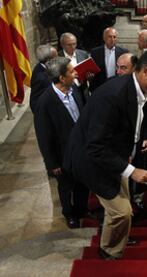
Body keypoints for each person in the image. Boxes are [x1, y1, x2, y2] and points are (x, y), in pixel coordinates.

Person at [64, 49, 147, 259]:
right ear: (145, 72)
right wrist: (131, 170)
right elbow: (95, 146)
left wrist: (128, 154)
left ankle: (115, 240)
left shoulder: (140, 90)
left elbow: (127, 128)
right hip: (91, 161)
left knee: (124, 210)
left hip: (115, 157)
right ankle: (109, 250)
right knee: (122, 211)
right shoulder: (113, 96)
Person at [36, 57, 89, 229]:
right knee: (66, 187)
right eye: (71, 71)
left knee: (82, 182)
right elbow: (44, 136)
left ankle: (81, 209)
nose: (75, 73)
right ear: (61, 78)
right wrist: (52, 163)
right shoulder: (45, 102)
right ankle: (69, 213)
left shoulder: (74, 88)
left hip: (81, 150)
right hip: (62, 155)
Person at [90, 27, 129, 91]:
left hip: (118, 86)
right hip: (100, 86)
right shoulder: (95, 52)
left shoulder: (123, 52)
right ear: (104, 38)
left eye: (114, 37)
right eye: (110, 37)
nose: (112, 39)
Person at [30, 44, 57, 113]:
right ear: (48, 60)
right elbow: (34, 101)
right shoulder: (41, 78)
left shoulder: (42, 66)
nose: (57, 59)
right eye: (55, 57)